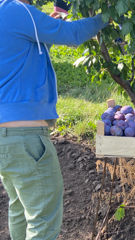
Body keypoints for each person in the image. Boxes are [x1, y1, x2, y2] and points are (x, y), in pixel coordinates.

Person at [0, 0, 107, 239]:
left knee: (20, 208)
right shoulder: (18, 10)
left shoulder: (4, 13)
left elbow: (18, 50)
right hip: (23, 137)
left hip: (4, 137)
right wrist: (105, 17)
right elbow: (72, 34)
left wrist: (46, 26)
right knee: (43, 218)